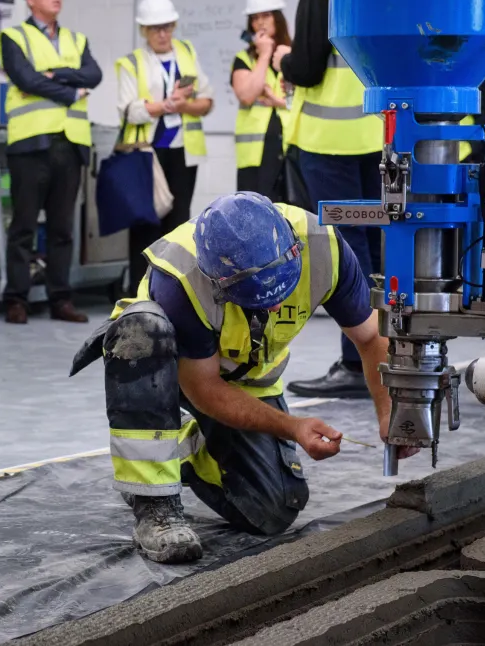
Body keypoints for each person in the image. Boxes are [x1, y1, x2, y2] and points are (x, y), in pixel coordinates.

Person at [70, 192, 411, 563]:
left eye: (283, 288)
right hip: (172, 371)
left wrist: (391, 411)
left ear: (293, 250)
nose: (277, 306)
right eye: (260, 300)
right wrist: (292, 426)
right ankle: (155, 505)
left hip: (247, 380)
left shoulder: (324, 247)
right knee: (142, 330)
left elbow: (370, 338)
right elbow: (203, 388)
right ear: (219, 280)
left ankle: (183, 451)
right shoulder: (180, 279)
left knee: (272, 509)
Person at [279, 0, 383, 399]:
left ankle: (355, 363)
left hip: (329, 140)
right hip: (375, 134)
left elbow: (306, 66)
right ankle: (383, 354)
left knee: (344, 250)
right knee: (377, 245)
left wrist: (281, 58)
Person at [0, 0, 102, 325]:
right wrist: (72, 91)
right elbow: (26, 79)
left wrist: (56, 74)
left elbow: (94, 74)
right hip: (30, 144)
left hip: (70, 145)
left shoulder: (77, 40)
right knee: (23, 225)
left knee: (62, 228)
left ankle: (61, 298)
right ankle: (17, 298)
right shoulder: (13, 38)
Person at [115, 0, 215, 295]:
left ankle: (171, 295)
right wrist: (167, 103)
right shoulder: (131, 62)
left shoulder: (186, 52)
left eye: (167, 26)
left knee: (178, 227)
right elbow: (130, 110)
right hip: (147, 153)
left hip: (182, 153)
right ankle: (139, 295)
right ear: (144, 30)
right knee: (146, 227)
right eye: (155, 28)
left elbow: (207, 101)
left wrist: (181, 105)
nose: (162, 33)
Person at [233, 0, 293, 204]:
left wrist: (278, 101)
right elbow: (247, 94)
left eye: (266, 15)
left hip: (291, 148)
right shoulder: (244, 59)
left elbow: (305, 99)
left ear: (278, 18)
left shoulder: (292, 54)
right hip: (256, 155)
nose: (260, 22)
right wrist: (264, 53)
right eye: (254, 17)